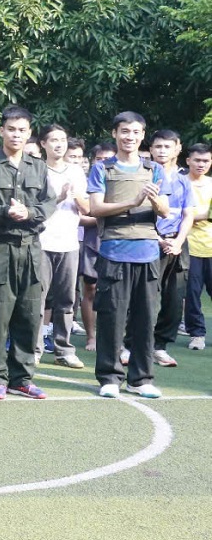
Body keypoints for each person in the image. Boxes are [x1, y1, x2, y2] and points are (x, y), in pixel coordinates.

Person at [0, 105, 56, 400]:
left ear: (29, 133)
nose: (16, 134)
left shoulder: (39, 166)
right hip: (1, 247)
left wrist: (30, 212)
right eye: (11, 129)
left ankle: (22, 378)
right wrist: (8, 211)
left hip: (32, 248)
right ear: (1, 131)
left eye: (22, 130)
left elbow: (49, 203)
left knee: (30, 313)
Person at [88, 112, 169, 399]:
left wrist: (156, 201)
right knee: (112, 317)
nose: (130, 137)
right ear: (115, 133)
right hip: (114, 252)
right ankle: (109, 377)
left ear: (142, 135)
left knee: (146, 318)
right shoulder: (102, 168)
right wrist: (133, 201)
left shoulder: (154, 169)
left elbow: (165, 211)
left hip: (147, 254)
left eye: (135, 132)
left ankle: (141, 378)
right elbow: (94, 208)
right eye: (124, 131)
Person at [138, 130, 193, 365]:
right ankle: (134, 344)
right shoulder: (143, 175)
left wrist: (178, 242)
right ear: (150, 149)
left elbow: (188, 214)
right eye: (157, 146)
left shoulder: (183, 180)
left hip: (178, 243)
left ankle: (160, 346)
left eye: (167, 147)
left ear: (178, 149)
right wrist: (159, 239)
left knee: (174, 298)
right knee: (146, 297)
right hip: (149, 241)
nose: (162, 151)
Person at [37, 124, 88, 368]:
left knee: (67, 299)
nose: (59, 144)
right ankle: (34, 348)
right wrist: (58, 197)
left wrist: (75, 194)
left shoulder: (77, 172)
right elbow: (33, 209)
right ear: (43, 144)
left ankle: (63, 349)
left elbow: (87, 208)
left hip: (69, 244)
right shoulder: (36, 170)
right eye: (54, 140)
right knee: (38, 298)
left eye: (63, 139)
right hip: (42, 242)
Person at [79, 142, 116, 351]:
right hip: (92, 243)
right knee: (90, 289)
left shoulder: (121, 181)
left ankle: (112, 338)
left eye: (107, 159)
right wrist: (106, 214)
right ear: (93, 161)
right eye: (99, 159)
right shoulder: (85, 183)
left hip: (117, 242)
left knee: (115, 292)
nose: (103, 163)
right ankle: (91, 337)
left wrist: (99, 213)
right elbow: (80, 217)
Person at [183, 144, 212, 350]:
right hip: (189, 247)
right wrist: (204, 215)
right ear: (188, 161)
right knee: (192, 294)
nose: (201, 164)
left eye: (205, 161)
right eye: (197, 160)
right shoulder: (180, 183)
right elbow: (179, 215)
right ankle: (197, 334)